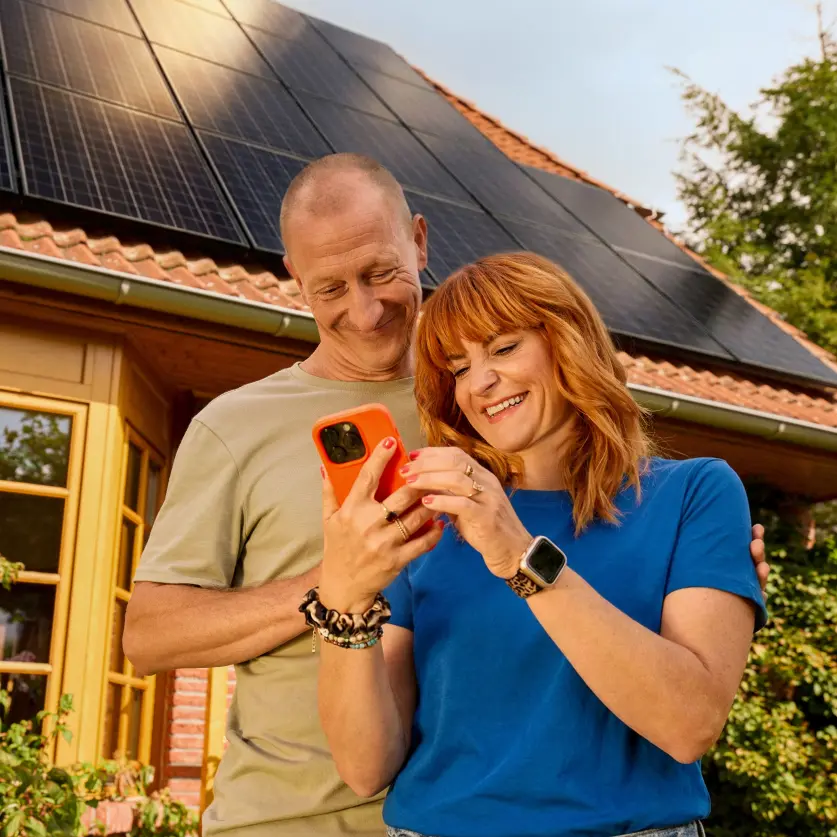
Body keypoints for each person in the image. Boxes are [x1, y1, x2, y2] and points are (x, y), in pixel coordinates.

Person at [123, 153, 769, 837]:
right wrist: (337, 585)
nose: (364, 310)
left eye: (379, 273)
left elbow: (687, 699)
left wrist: (710, 574)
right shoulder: (248, 432)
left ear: (420, 241)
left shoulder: (637, 486)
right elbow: (152, 636)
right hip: (293, 818)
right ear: (295, 280)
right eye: (330, 287)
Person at [313, 252, 769, 837]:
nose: (479, 383)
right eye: (458, 367)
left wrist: (519, 557)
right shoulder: (431, 520)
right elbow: (364, 766)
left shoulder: (695, 494)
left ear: (569, 341)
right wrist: (345, 599)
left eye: (503, 349)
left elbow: (689, 724)